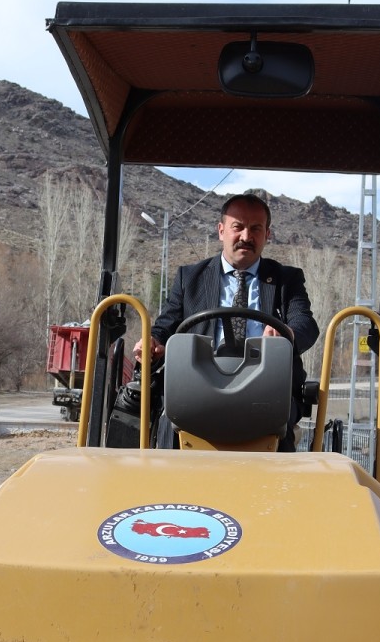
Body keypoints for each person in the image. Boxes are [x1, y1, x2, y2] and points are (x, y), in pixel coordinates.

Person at [133, 193, 319, 451]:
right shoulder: (190, 278)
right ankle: (168, 480)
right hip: (197, 384)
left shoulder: (286, 279)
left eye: (256, 228)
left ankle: (277, 484)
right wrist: (153, 342)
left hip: (266, 388)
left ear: (267, 235)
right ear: (221, 231)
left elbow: (305, 323)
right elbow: (167, 324)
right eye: (238, 227)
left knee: (281, 412)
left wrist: (287, 331)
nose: (246, 236)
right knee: (171, 412)